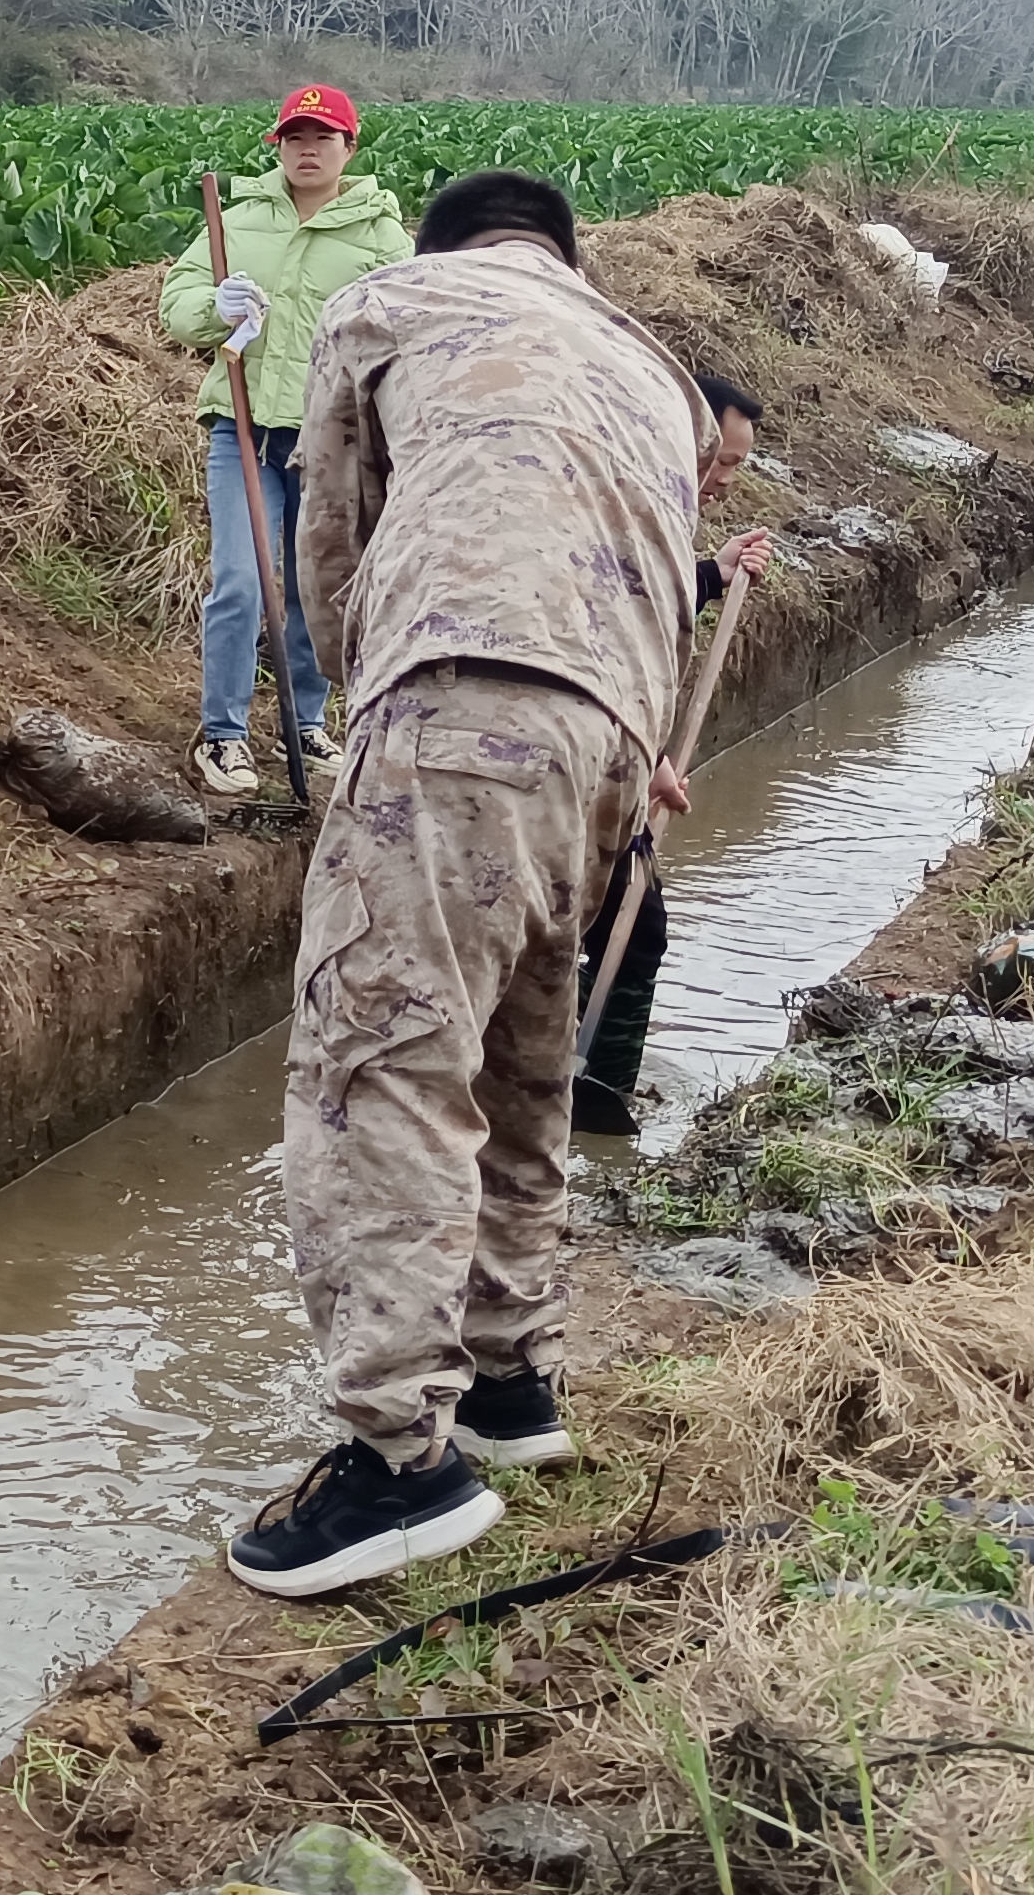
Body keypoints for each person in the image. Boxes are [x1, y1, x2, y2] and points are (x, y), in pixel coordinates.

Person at [224, 170, 707, 1598]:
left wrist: (340, 722)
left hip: (458, 693)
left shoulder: (391, 302)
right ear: (562, 256)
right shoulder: (646, 361)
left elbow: (336, 538)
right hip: (616, 738)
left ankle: (396, 1463)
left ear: (447, 248)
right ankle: (511, 1386)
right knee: (523, 1060)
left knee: (382, 1063)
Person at [158, 84, 411, 799]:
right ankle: (225, 736)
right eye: (295, 137)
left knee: (313, 589)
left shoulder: (380, 235)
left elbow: (406, 324)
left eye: (322, 138)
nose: (307, 149)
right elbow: (177, 307)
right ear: (278, 145)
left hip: (332, 441)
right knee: (240, 582)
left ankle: (306, 721)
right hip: (241, 432)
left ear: (348, 149)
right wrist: (215, 308)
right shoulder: (237, 222)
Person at [568, 376, 777, 1137]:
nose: (723, 480)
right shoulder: (627, 507)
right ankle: (588, 1087)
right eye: (719, 461)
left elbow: (650, 600)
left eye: (734, 469)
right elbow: (602, 640)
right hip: (577, 750)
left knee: (610, 923)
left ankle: (571, 1072)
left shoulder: (648, 506)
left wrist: (713, 577)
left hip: (598, 746)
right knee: (628, 921)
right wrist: (646, 755)